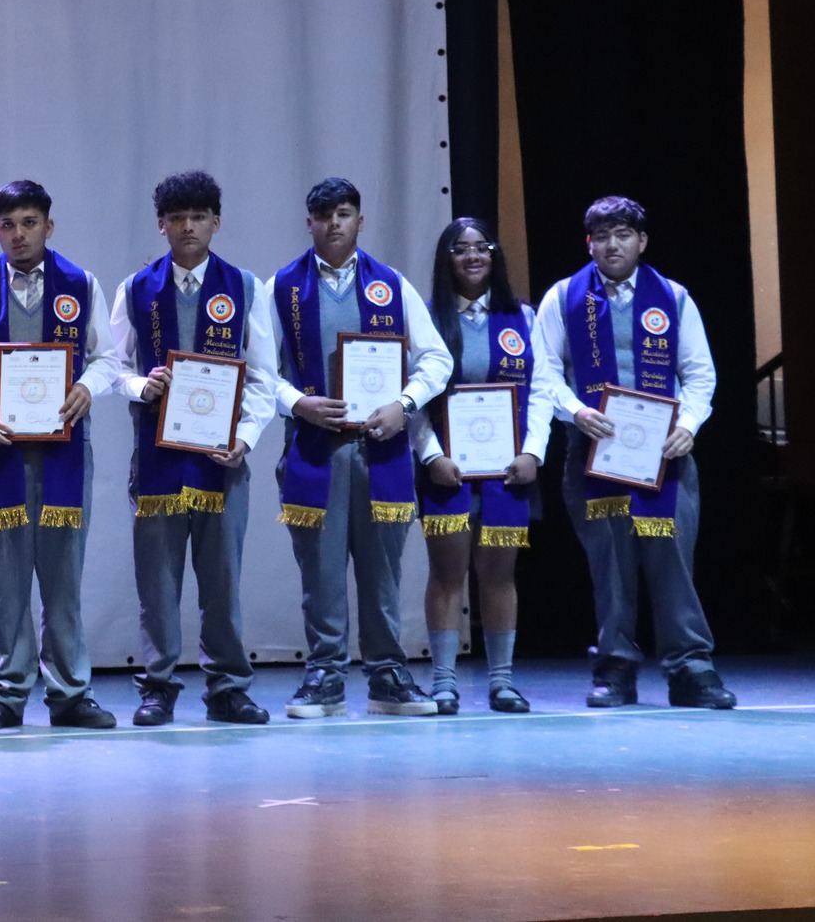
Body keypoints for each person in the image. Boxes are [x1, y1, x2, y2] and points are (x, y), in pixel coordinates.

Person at [530, 197, 734, 710]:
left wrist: (688, 425)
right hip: (592, 452)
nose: (611, 244)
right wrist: (575, 412)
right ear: (589, 244)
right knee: (611, 566)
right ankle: (616, 667)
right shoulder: (563, 297)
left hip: (666, 455)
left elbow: (699, 372)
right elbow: (545, 371)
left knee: (672, 562)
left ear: (641, 241)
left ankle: (690, 667)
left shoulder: (674, 298)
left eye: (622, 234)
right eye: (601, 236)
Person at [270, 177, 453, 718]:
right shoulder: (280, 287)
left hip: (380, 451)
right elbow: (260, 370)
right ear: (309, 223)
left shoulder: (391, 284)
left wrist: (404, 402)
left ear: (360, 220)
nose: (334, 224)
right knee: (321, 572)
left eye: (344, 213)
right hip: (316, 451)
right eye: (323, 215)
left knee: (382, 571)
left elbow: (436, 359)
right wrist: (296, 404)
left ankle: (386, 675)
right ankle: (325, 674)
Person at [109, 170, 278, 727]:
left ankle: (228, 687)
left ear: (216, 222)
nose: (187, 227)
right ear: (161, 224)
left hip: (222, 463)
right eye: (177, 218)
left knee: (222, 584)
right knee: (157, 585)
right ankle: (156, 687)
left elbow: (263, 377)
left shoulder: (245, 286)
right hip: (157, 461)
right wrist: (142, 386)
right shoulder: (135, 289)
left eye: (199, 216)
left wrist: (245, 438)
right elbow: (114, 367)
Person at [0, 180, 119, 731]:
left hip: (65, 452)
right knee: (5, 581)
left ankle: (71, 692)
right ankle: (5, 691)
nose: (19, 234)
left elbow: (107, 357)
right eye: (9, 224)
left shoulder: (82, 283)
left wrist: (89, 387)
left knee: (63, 579)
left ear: (49, 226)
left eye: (30, 223)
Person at [411, 218, 551, 715]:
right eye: (459, 249)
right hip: (447, 471)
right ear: (445, 259)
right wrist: (431, 456)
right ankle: (445, 682)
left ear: (495, 256)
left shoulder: (524, 318)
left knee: (499, 575)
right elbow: (414, 401)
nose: (472, 256)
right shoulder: (427, 319)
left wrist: (532, 453)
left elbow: (542, 393)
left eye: (481, 247)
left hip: (508, 472)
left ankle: (502, 682)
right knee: (447, 574)